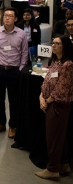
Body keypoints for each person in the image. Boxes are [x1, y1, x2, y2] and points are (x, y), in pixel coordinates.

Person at [35, 35, 73, 181]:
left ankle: (52, 170)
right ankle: (63, 164)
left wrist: (47, 101)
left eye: (57, 43)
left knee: (54, 139)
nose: (54, 45)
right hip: (49, 102)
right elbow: (47, 80)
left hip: (58, 106)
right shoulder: (56, 61)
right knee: (58, 138)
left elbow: (61, 89)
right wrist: (41, 97)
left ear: (65, 46)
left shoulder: (68, 65)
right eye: (53, 43)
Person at [0, 7, 28, 139]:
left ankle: (13, 126)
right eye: (5, 15)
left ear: (15, 19)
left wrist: (20, 69)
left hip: (14, 71)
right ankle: (1, 123)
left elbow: (24, 53)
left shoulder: (21, 34)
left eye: (10, 16)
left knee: (13, 100)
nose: (7, 18)